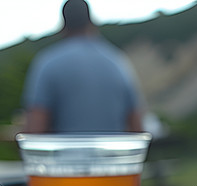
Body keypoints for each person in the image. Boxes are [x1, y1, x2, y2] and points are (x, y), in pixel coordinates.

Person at [22, 0, 145, 133]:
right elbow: (136, 125)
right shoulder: (118, 61)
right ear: (91, 22)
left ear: (63, 25)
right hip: (111, 153)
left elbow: (36, 127)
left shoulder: (48, 63)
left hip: (66, 153)